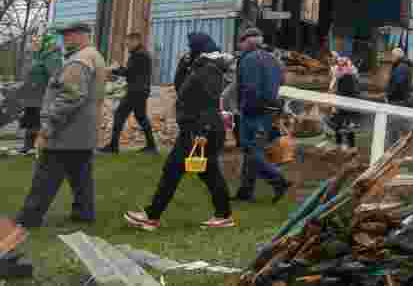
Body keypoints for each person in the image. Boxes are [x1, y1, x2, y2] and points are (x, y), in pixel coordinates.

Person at [124, 47, 235, 230]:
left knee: (173, 171)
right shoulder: (206, 70)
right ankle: (224, 215)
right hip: (200, 131)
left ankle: (151, 216)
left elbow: (206, 104)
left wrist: (201, 133)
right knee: (209, 173)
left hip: (197, 132)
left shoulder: (207, 71)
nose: (187, 52)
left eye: (192, 47)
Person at [15, 22, 107, 229]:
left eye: (69, 35)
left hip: (66, 131)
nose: (64, 39)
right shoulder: (94, 56)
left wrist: (47, 129)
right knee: (81, 175)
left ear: (83, 35)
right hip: (84, 130)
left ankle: (28, 218)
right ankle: (84, 213)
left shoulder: (79, 61)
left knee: (45, 176)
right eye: (63, 35)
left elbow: (70, 98)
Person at [234, 27, 291, 203]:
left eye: (241, 42)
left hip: (253, 111)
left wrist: (244, 108)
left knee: (250, 150)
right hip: (269, 111)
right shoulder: (273, 59)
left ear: (247, 42)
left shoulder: (249, 59)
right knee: (253, 151)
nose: (240, 45)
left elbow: (250, 88)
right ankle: (245, 192)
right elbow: (282, 81)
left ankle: (278, 180)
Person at [99, 32, 158, 155]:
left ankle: (113, 147)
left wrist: (113, 69)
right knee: (141, 117)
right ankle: (151, 146)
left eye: (128, 43)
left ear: (135, 41)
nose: (126, 46)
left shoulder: (139, 55)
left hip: (135, 91)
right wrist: (117, 71)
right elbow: (131, 72)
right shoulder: (140, 53)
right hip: (140, 90)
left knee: (119, 115)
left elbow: (128, 72)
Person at [17, 33, 62, 155]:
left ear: (45, 43)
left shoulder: (51, 56)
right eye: (33, 42)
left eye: (36, 42)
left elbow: (55, 75)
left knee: (40, 120)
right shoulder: (37, 56)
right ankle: (28, 145)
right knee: (31, 119)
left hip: (43, 94)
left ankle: (42, 145)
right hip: (32, 94)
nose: (33, 44)